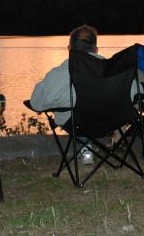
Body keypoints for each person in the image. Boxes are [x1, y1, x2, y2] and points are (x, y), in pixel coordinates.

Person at [29, 25, 105, 164]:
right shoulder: (114, 69)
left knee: (77, 117)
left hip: (77, 124)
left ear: (69, 49)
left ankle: (85, 146)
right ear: (96, 49)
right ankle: (89, 146)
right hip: (109, 121)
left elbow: (36, 103)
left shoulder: (57, 74)